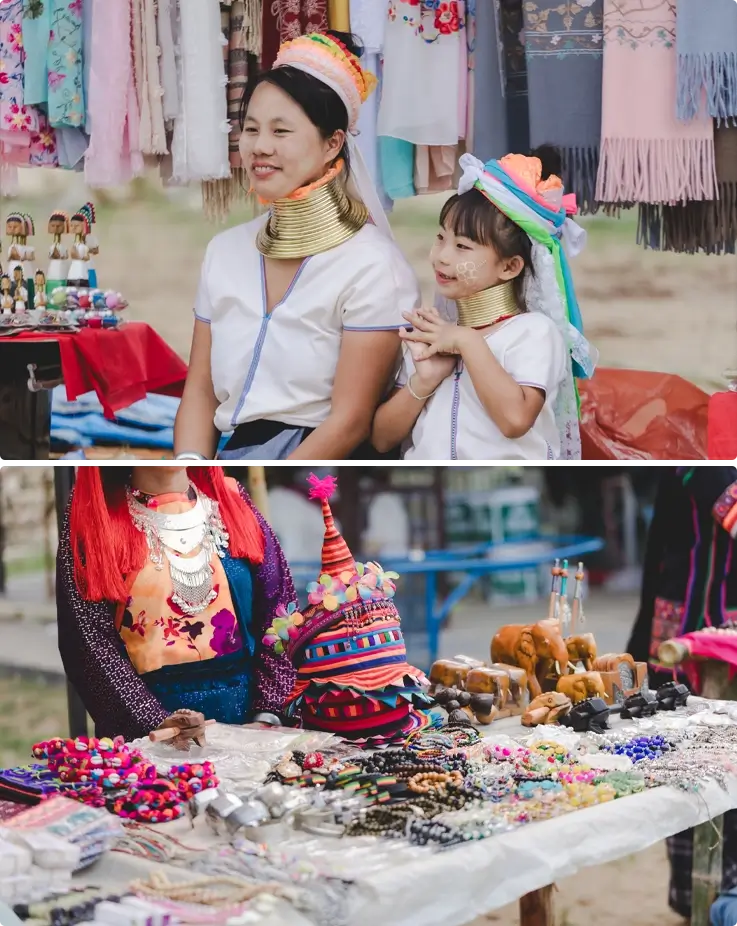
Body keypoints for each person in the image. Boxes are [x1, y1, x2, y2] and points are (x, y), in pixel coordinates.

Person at [174, 31, 420, 464]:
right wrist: (194, 471)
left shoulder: (373, 267)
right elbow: (200, 390)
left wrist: (266, 483)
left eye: (281, 131)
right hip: (229, 459)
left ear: (333, 143)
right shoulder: (225, 251)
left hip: (320, 467)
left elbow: (350, 421)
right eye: (251, 128)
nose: (259, 146)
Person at [371, 151, 597, 463]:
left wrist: (467, 341)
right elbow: (382, 440)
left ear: (510, 266)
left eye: (462, 246)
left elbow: (515, 420)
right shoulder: (433, 334)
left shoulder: (532, 333)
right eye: (440, 238)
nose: (442, 256)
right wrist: (424, 380)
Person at [56, 465, 297, 747]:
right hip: (152, 736)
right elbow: (89, 644)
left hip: (250, 727)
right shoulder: (95, 516)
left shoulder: (232, 499)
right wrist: (153, 722)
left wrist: (268, 713)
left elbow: (279, 613)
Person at [626, 465, 737, 920]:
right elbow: (726, 507)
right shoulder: (697, 449)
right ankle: (704, 902)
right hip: (685, 640)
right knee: (694, 777)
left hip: (721, 639)